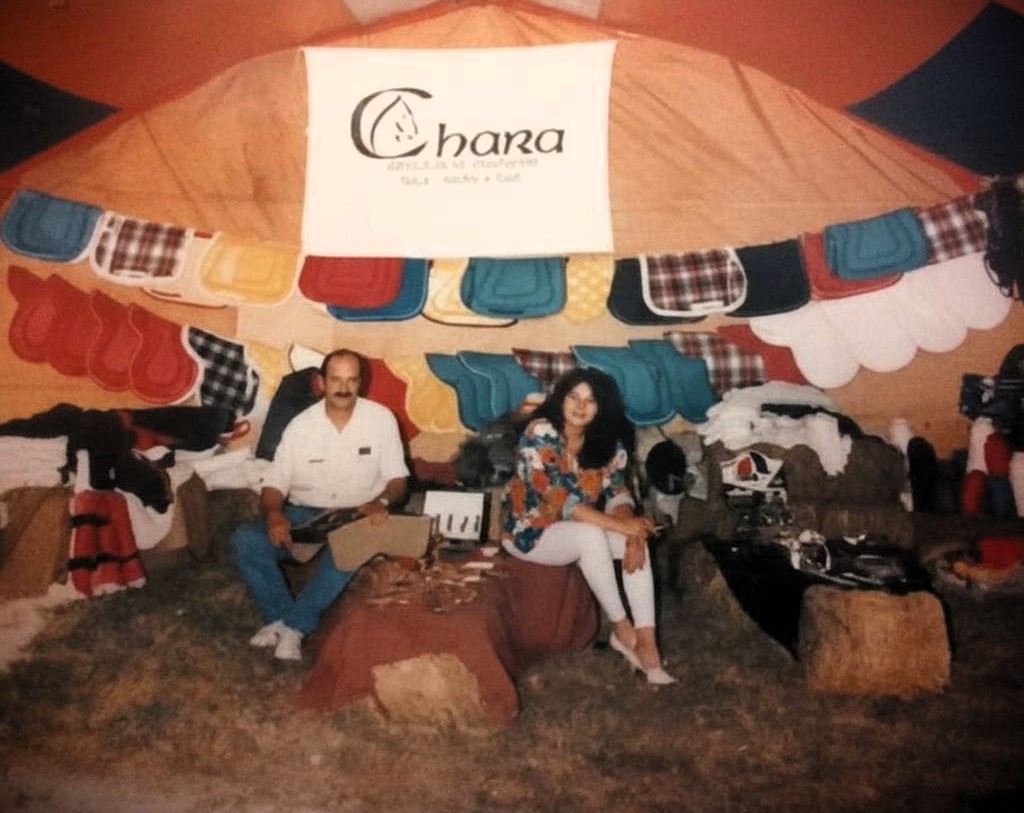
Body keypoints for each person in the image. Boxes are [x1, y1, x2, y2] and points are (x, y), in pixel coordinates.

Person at [231, 349, 409, 661]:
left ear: (361, 383)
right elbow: (274, 483)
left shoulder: (381, 419)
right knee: (246, 540)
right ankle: (278, 619)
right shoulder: (300, 426)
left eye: (351, 380)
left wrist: (381, 501)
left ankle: (296, 626)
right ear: (321, 382)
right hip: (306, 516)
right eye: (336, 379)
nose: (344, 387)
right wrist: (274, 514)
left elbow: (398, 480)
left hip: (358, 515)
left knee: (353, 544)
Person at [501, 368, 675, 685]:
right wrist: (624, 527)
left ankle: (647, 641)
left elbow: (618, 492)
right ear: (560, 399)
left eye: (591, 400)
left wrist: (633, 532)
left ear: (602, 407)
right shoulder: (540, 432)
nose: (580, 406)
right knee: (591, 535)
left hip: (577, 530)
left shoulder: (608, 443)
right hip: (529, 532)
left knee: (630, 541)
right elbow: (559, 501)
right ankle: (621, 628)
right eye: (574, 397)